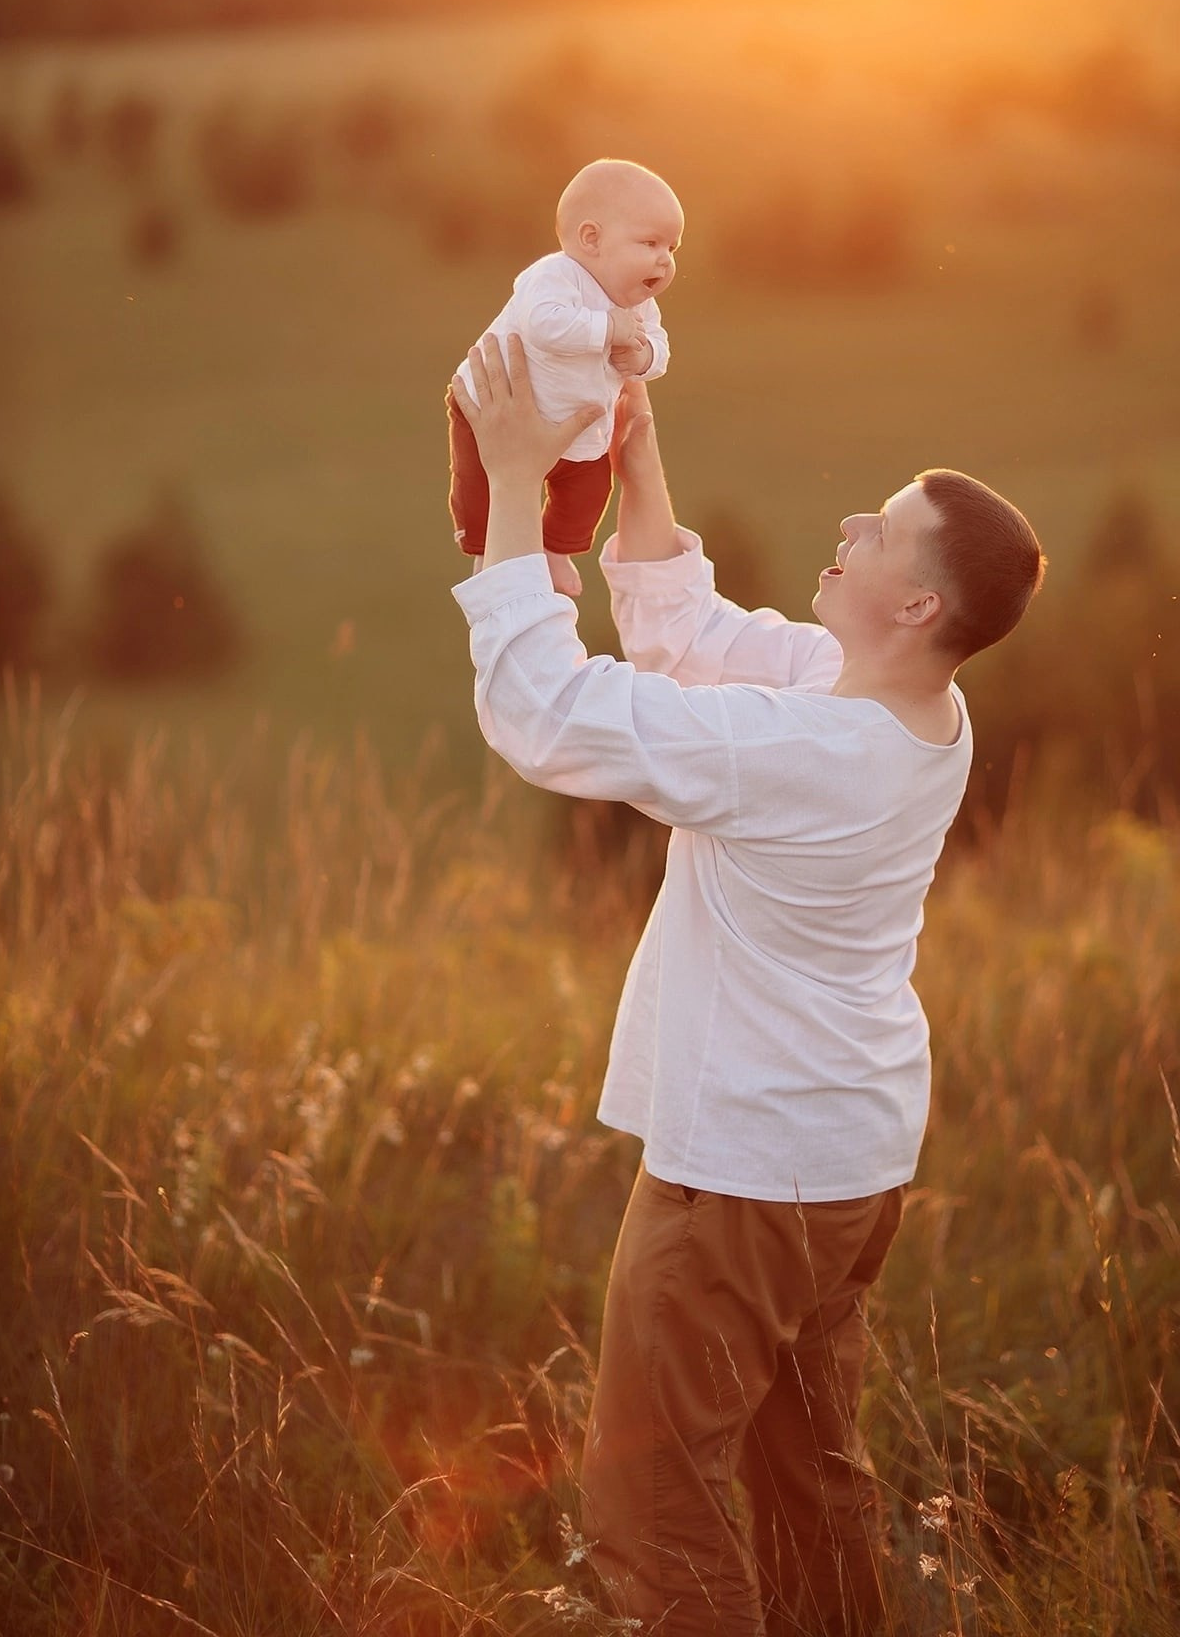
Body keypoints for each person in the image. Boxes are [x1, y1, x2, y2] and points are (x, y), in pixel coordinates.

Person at [448, 334, 1046, 1636]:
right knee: (806, 1479)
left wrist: (505, 486)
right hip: (845, 1164)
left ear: (919, 607)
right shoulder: (911, 711)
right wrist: (641, 463)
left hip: (745, 1178)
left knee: (655, 1504)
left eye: (881, 532)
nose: (851, 524)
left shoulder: (814, 750)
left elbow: (550, 715)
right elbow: (700, 640)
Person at [448, 157, 683, 598]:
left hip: (579, 427)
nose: (664, 260)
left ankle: (556, 551)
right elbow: (545, 326)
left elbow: (661, 346)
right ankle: (485, 552)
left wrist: (645, 356)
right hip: (494, 410)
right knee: (481, 487)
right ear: (591, 238)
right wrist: (609, 330)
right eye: (651, 242)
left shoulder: (637, 304)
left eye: (672, 248)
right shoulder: (554, 277)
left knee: (590, 493)